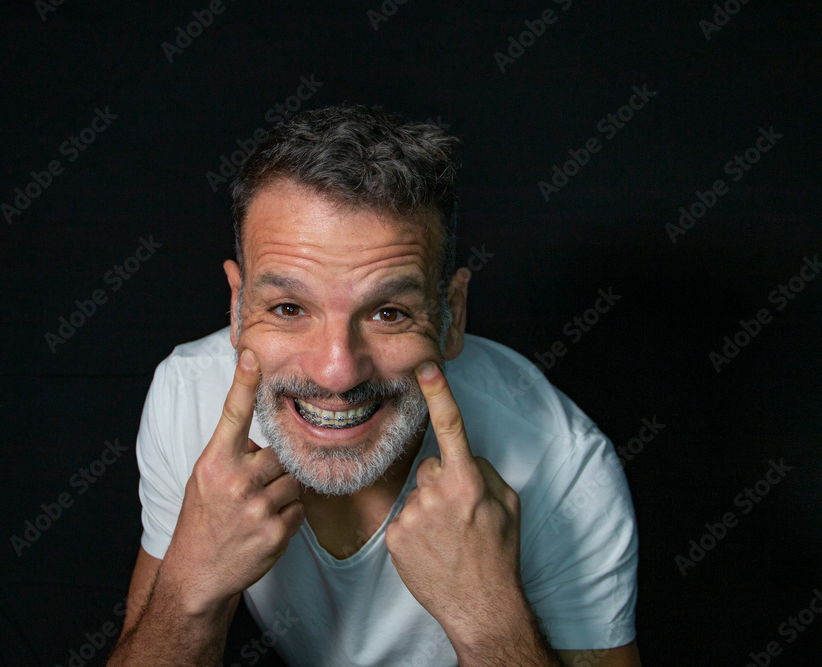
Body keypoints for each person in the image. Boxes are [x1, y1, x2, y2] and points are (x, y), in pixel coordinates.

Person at [107, 104, 641, 666]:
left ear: (452, 315)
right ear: (238, 308)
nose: (336, 371)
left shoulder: (564, 467)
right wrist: (187, 595)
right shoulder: (185, 397)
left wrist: (492, 623)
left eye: (388, 312)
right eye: (289, 307)